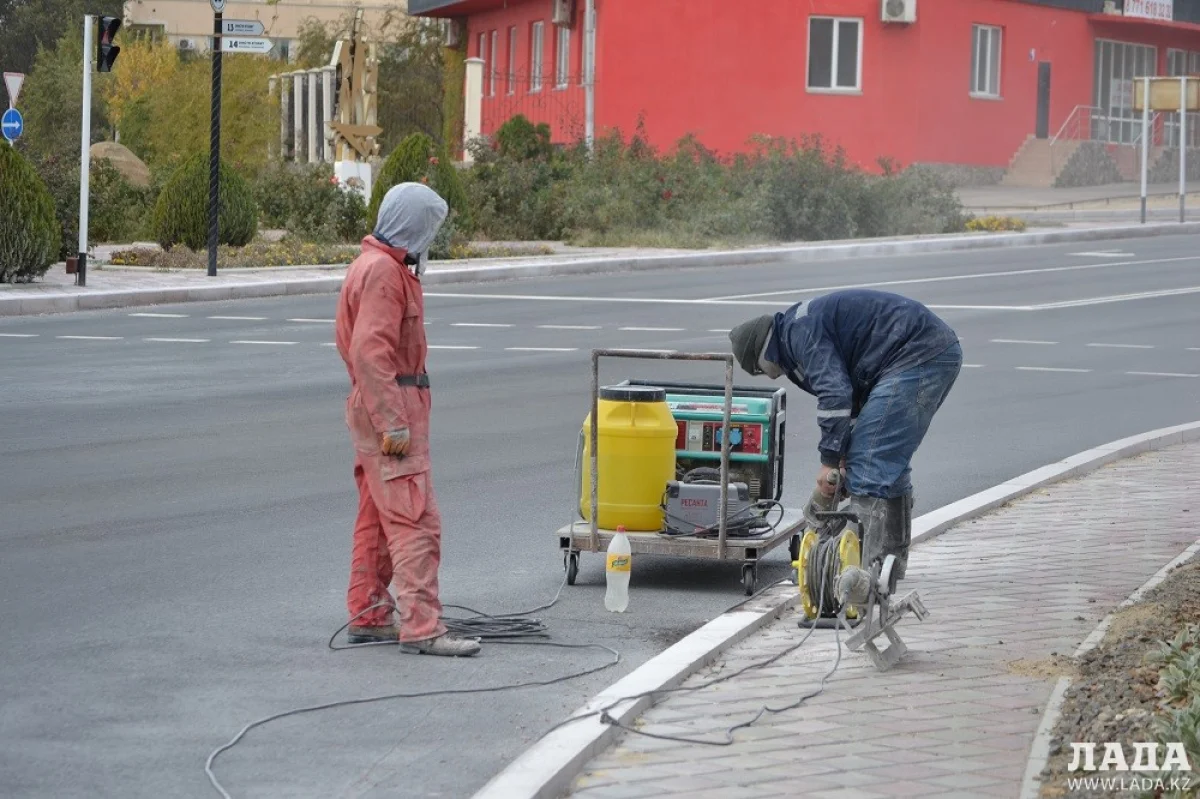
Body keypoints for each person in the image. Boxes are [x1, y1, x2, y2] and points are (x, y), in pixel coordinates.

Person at [334, 181, 480, 657]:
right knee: (416, 520)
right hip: (390, 409)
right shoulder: (383, 273)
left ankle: (370, 612)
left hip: (379, 405)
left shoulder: (373, 265)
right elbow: (370, 351)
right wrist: (393, 421)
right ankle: (422, 628)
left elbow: (358, 351)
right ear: (412, 227)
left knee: (378, 519)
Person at [728, 289, 962, 587]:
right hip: (924, 352)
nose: (771, 376)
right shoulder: (796, 329)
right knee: (885, 461)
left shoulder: (799, 336)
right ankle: (891, 564)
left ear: (762, 357)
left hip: (916, 356)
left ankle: (858, 577)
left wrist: (828, 462)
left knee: (870, 462)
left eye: (761, 371)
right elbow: (852, 398)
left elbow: (835, 395)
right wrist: (841, 454)